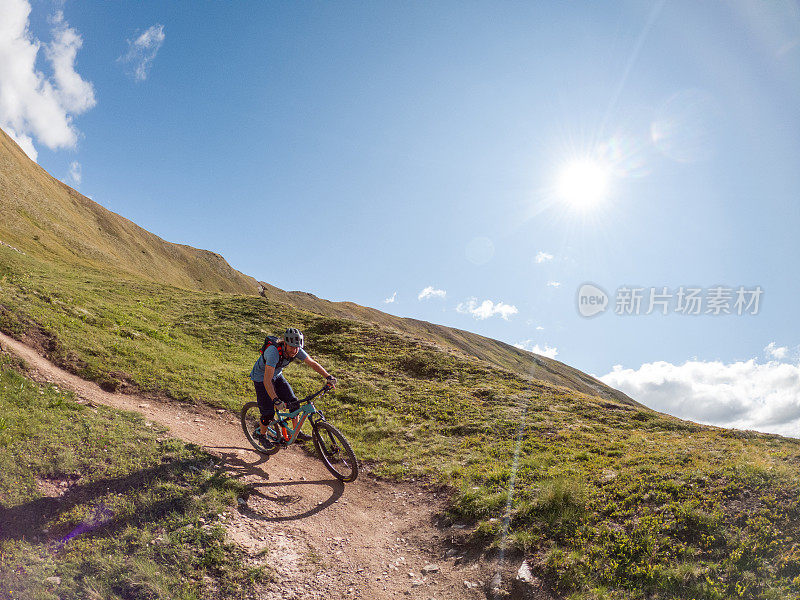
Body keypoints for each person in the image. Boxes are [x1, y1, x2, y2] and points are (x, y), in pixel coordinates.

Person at [250, 327, 336, 449]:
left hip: (277, 375)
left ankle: (296, 433)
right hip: (261, 378)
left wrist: (328, 376)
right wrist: (275, 399)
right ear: (285, 343)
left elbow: (312, 363)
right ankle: (261, 435)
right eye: (291, 347)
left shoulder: (297, 349)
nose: (294, 351)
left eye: (297, 347)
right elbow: (267, 380)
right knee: (268, 413)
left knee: (294, 403)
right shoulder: (273, 352)